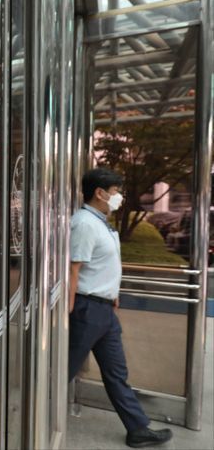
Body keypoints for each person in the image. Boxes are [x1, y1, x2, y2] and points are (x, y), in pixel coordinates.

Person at [69, 168, 172, 448]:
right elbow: (73, 269)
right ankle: (25, 417)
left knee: (116, 372)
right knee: (63, 370)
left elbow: (102, 264)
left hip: (104, 311)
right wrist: (70, 310)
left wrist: (112, 294)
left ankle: (137, 429)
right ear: (99, 193)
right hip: (87, 310)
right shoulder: (84, 223)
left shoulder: (101, 222)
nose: (119, 197)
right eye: (115, 192)